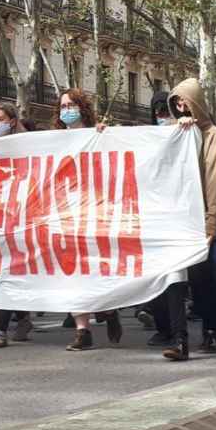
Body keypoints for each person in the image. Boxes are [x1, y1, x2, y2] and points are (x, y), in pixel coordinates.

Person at [160, 78, 216, 361]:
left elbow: (214, 178)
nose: (180, 106)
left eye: (184, 100)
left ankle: (211, 328)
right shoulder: (171, 132)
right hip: (174, 218)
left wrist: (212, 221)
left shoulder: (212, 134)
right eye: (176, 102)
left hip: (199, 218)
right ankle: (180, 339)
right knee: (175, 276)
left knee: (202, 278)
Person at [56, 88, 124, 351]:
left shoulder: (98, 134)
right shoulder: (52, 140)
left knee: (97, 268)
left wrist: (106, 136)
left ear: (81, 107)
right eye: (62, 106)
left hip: (95, 211)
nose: (66, 109)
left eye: (71, 104)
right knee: (71, 271)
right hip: (64, 214)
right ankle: (82, 329)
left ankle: (109, 309)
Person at [0, 102, 38, 349]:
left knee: (11, 271)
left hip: (24, 217)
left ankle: (0, 328)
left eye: (1, 118)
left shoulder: (27, 146)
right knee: (5, 272)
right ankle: (22, 317)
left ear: (12, 121)